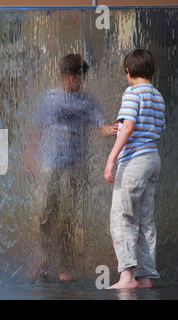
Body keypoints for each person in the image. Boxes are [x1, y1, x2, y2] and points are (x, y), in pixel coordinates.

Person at [26, 53, 115, 281]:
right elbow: (38, 128)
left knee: (69, 218)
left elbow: (100, 124)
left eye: (79, 76)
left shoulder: (88, 102)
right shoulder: (50, 98)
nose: (75, 81)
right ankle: (44, 260)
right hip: (50, 165)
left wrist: (112, 130)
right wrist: (29, 156)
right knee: (46, 214)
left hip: (76, 167)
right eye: (71, 76)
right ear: (63, 75)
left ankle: (65, 265)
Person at [104, 48, 166, 289]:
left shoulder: (132, 93)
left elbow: (128, 126)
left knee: (123, 216)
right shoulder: (158, 96)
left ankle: (127, 277)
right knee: (144, 219)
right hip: (152, 159)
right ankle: (145, 276)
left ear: (128, 73)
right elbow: (156, 127)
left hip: (134, 161)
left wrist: (112, 158)